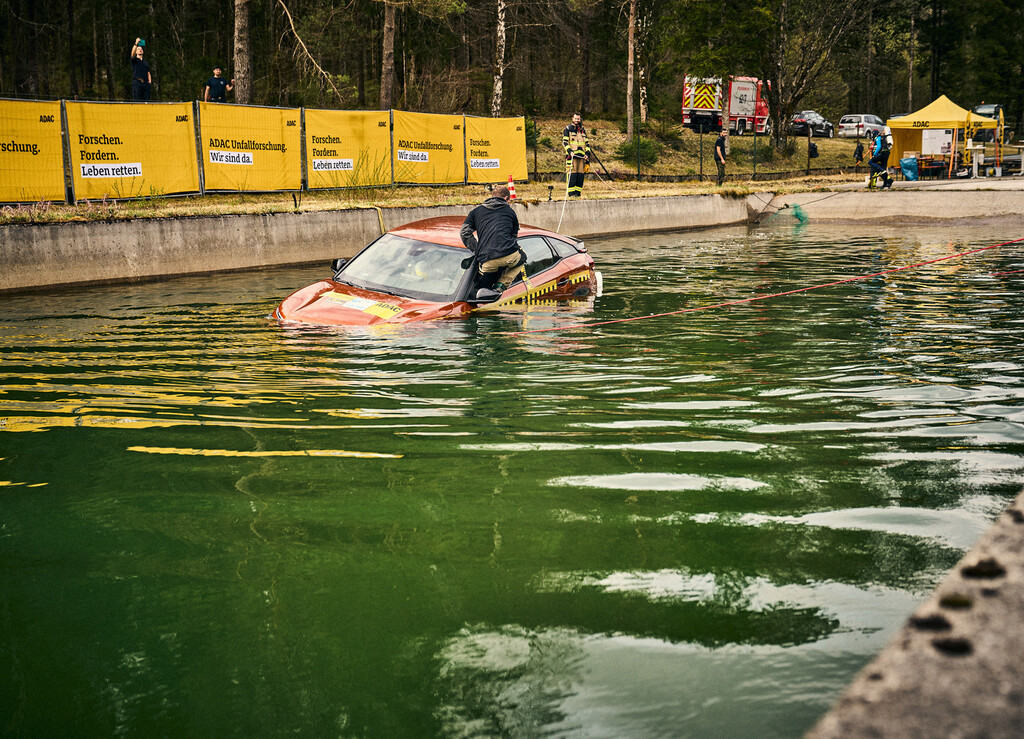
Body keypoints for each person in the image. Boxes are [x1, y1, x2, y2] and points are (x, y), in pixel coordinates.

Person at [460, 185, 523, 301]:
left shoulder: (475, 212)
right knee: (522, 258)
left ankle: (483, 293)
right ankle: (501, 286)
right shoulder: (510, 212)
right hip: (509, 256)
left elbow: (464, 232)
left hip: (487, 259)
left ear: (492, 196)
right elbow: (514, 238)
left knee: (484, 283)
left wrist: (477, 250)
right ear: (506, 198)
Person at [562, 113, 590, 198]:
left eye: (578, 119)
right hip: (572, 157)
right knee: (572, 175)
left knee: (580, 176)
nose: (577, 120)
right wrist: (570, 151)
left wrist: (587, 154)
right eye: (575, 119)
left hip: (581, 158)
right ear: (572, 119)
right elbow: (565, 142)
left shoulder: (582, 130)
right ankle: (571, 194)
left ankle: (578, 194)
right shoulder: (568, 129)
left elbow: (587, 144)